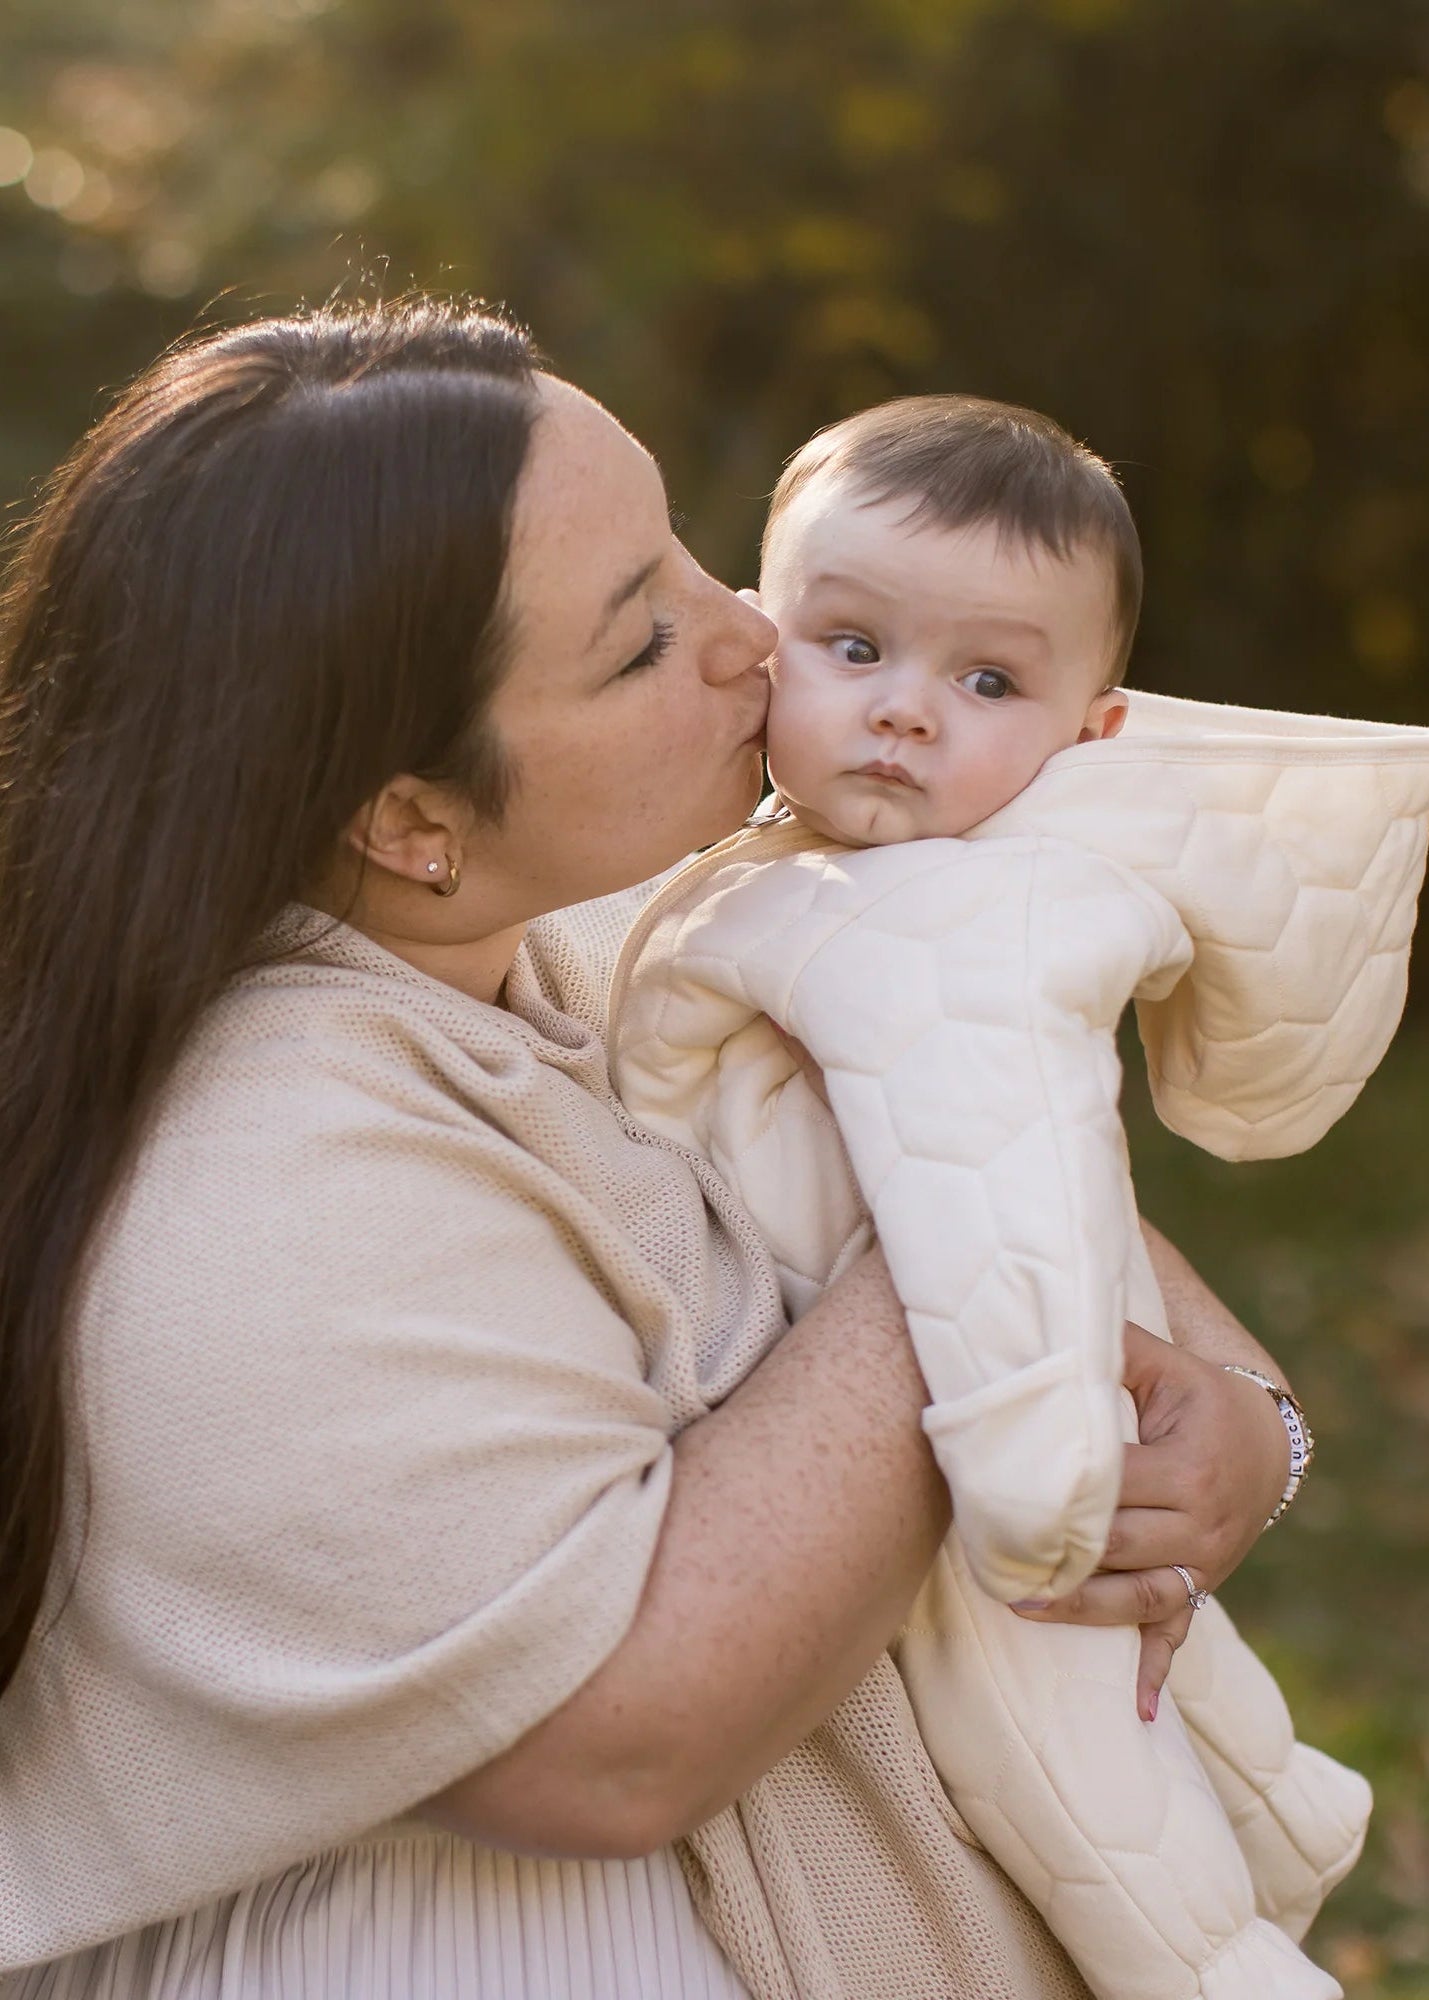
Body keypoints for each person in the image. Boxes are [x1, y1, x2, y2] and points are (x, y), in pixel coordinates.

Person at [0, 303, 1297, 2000]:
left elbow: (1155, 1311)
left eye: (690, 550)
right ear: (410, 819)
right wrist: (964, 1194)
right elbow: (605, 1740)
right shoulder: (261, 1184)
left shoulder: (610, 930)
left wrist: (1253, 1438)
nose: (752, 635)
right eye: (636, 644)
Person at [608, 397, 1403, 1996]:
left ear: (1086, 730)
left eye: (984, 682)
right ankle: (1293, 1823)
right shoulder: (778, 863)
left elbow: (1004, 1196)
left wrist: (1038, 1490)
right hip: (887, 1447)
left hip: (986, 1466)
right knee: (1159, 1729)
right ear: (764, 635)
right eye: (851, 647)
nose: (903, 713)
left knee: (1082, 1806)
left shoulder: (957, 921)